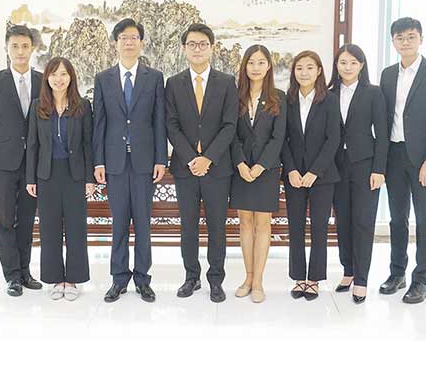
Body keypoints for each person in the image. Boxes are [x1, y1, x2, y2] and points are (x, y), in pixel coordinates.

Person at [92, 18, 167, 303]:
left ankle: (143, 279)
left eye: (134, 37)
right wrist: (98, 161)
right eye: (123, 37)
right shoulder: (103, 79)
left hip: (144, 163)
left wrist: (161, 158)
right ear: (116, 43)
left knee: (143, 224)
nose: (129, 42)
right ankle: (118, 279)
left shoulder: (154, 77)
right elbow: (99, 123)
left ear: (141, 43)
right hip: (114, 163)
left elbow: (159, 121)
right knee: (119, 223)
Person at [378, 17, 426, 304]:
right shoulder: (387, 75)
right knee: (397, 218)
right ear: (393, 42)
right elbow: (384, 119)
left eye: (410, 36)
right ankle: (397, 273)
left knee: (424, 218)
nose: (405, 42)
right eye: (399, 38)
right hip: (394, 156)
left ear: (420, 39)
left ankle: (421, 280)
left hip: (423, 159)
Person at [165, 23, 238, 303]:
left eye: (203, 44)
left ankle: (216, 279)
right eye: (192, 44)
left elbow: (230, 125)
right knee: (189, 226)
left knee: (217, 226)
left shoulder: (226, 82)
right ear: (184, 48)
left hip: (217, 168)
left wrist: (207, 158)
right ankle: (191, 277)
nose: (198, 49)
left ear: (211, 47)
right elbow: (171, 125)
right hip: (185, 169)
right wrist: (191, 158)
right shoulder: (174, 83)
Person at [0, 24, 43, 296]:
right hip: (5, 163)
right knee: (6, 220)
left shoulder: (42, 80)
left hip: (33, 163)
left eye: (25, 46)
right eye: (15, 46)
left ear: (32, 48)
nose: (20, 51)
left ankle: (26, 271)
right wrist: (5, 142)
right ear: (6, 48)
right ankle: (12, 276)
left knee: (27, 220)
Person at [26, 57, 95, 301]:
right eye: (54, 74)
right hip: (46, 175)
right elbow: (32, 145)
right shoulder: (37, 106)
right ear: (47, 78)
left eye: (64, 74)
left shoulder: (82, 106)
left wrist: (89, 179)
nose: (59, 79)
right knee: (49, 228)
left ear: (71, 77)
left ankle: (73, 279)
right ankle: (56, 278)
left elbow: (88, 144)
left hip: (75, 174)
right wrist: (30, 178)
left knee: (76, 228)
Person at [329, 44, 388, 304]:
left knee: (363, 222)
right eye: (343, 62)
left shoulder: (373, 93)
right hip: (336, 166)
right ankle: (348, 271)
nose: (348, 67)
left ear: (361, 65)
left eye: (353, 62)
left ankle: (362, 279)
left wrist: (379, 169)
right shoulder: (329, 93)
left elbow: (382, 134)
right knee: (342, 220)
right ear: (336, 65)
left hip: (365, 165)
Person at [282, 50, 340, 301]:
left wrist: (315, 171)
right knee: (295, 227)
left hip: (322, 176)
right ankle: (298, 277)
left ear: (319, 71)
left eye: (309, 67)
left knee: (319, 227)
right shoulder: (287, 100)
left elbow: (333, 139)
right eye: (299, 68)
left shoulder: (330, 100)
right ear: (294, 72)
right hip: (294, 176)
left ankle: (314, 279)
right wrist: (292, 170)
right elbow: (282, 139)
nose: (304, 72)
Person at [230, 45, 286, 303]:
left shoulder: (278, 97)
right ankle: (248, 277)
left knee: (263, 224)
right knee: (245, 223)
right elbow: (230, 133)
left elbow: (278, 137)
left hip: (267, 169)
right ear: (245, 65)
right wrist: (241, 163)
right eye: (251, 62)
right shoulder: (235, 96)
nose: (255, 67)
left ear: (268, 66)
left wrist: (261, 165)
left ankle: (259, 282)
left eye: (261, 62)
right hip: (240, 169)